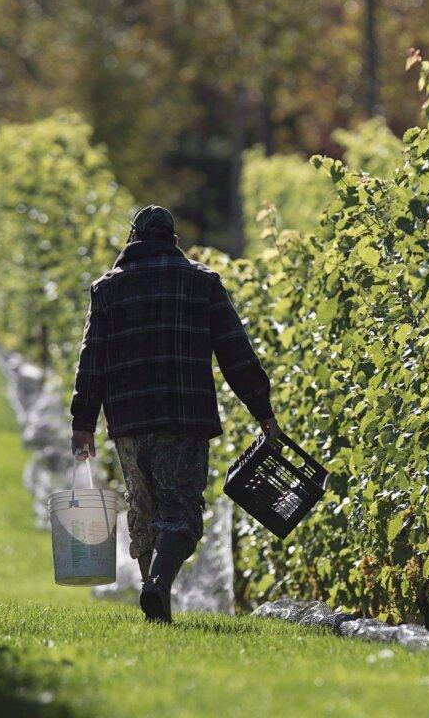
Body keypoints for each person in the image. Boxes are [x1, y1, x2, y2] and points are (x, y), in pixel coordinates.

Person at [70, 205, 279, 623]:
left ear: (132, 240)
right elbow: (235, 351)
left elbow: (92, 359)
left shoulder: (107, 289)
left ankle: (155, 599)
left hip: (129, 421)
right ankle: (158, 585)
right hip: (184, 416)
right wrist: (262, 410)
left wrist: (83, 423)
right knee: (180, 508)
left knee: (143, 508)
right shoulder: (202, 283)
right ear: (174, 241)